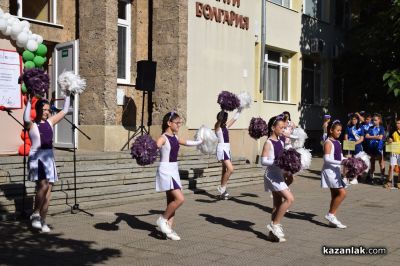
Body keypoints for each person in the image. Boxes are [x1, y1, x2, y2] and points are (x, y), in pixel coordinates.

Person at [24, 92, 70, 233]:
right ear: (37, 110)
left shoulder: (50, 122)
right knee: (43, 186)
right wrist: (29, 101)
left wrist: (68, 94)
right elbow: (26, 117)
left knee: (48, 191)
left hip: (49, 157)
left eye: (48, 109)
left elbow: (65, 110)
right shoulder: (31, 124)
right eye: (43, 109)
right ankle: (36, 213)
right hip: (37, 157)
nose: (46, 112)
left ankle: (43, 220)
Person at [155, 112, 202, 240]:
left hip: (174, 170)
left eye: (180, 123)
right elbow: (154, 148)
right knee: (180, 199)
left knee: (171, 200)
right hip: (165, 170)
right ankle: (162, 219)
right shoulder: (163, 137)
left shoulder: (175, 137)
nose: (179, 125)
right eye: (177, 123)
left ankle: (168, 230)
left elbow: (186, 142)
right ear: (169, 123)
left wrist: (200, 142)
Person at [261, 115, 294, 242]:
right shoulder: (268, 142)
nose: (282, 130)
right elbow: (263, 161)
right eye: (280, 127)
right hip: (272, 175)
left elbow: (283, 158)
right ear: (273, 128)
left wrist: (287, 169)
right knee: (290, 199)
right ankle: (275, 224)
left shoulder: (281, 141)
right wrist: (277, 162)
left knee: (277, 203)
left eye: (283, 128)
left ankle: (271, 234)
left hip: (279, 174)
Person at [321, 119, 347, 229]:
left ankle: (332, 219)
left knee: (335, 195)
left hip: (335, 170)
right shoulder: (328, 142)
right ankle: (330, 214)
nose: (339, 132)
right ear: (331, 130)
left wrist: (350, 161)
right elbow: (327, 159)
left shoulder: (338, 142)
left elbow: (340, 157)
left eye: (340, 130)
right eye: (337, 130)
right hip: (329, 171)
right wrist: (342, 162)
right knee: (342, 193)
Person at [214, 109, 241, 199]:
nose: (226, 119)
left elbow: (234, 119)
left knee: (224, 170)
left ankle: (223, 192)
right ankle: (222, 187)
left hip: (227, 148)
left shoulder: (225, 126)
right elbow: (219, 120)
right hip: (222, 149)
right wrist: (223, 108)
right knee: (231, 169)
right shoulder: (217, 127)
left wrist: (240, 110)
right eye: (225, 118)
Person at [365, 113, 386, 184]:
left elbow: (380, 137)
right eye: (373, 120)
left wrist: (372, 137)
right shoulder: (370, 128)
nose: (374, 121)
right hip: (371, 147)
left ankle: (382, 177)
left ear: (379, 120)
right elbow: (366, 136)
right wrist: (376, 137)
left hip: (379, 148)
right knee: (372, 162)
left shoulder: (381, 128)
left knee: (381, 162)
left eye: (376, 120)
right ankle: (371, 177)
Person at [385, 117, 400, 188]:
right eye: (397, 123)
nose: (398, 124)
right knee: (391, 166)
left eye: (399, 123)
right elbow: (389, 139)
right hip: (394, 151)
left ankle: (399, 182)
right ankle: (389, 181)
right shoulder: (393, 131)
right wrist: (390, 140)